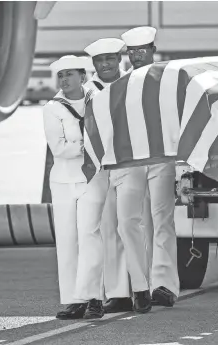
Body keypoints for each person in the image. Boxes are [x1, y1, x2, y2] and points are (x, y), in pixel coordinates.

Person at [121, 26, 180, 309]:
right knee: (135, 221)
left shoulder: (166, 79)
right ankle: (140, 284)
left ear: (152, 50)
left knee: (162, 220)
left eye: (141, 50)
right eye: (132, 51)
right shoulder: (122, 83)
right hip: (133, 159)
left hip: (160, 156)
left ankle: (164, 285)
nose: (136, 56)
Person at [44, 55, 106, 320]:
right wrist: (86, 146)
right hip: (63, 180)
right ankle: (73, 301)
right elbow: (58, 148)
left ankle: (94, 298)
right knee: (68, 241)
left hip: (92, 178)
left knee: (89, 236)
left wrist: (86, 147)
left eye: (69, 74)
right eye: (60, 75)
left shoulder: (99, 101)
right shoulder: (52, 108)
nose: (64, 80)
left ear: (83, 77)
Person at [83, 38, 134, 313]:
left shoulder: (134, 84)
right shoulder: (88, 91)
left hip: (130, 163)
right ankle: (118, 292)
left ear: (119, 60)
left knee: (136, 227)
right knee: (108, 229)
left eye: (111, 59)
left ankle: (142, 287)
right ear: (94, 64)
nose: (106, 64)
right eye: (100, 60)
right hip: (102, 168)